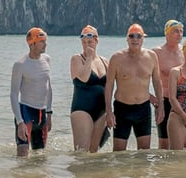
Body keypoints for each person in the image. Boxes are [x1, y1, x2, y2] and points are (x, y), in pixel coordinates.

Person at [104, 23, 164, 151]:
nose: (135, 39)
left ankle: (140, 173)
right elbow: (109, 86)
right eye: (131, 36)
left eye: (138, 36)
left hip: (143, 109)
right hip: (122, 109)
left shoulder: (151, 56)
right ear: (127, 38)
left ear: (143, 38)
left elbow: (157, 82)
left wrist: (161, 107)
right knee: (119, 152)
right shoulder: (117, 58)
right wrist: (108, 112)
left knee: (144, 152)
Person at [11, 27, 53, 157]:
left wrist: (49, 113)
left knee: (40, 156)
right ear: (32, 43)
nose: (45, 44)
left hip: (41, 114)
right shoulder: (20, 64)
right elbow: (13, 94)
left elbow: (49, 87)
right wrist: (20, 122)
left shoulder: (46, 59)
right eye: (42, 41)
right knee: (23, 154)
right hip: (26, 112)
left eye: (45, 41)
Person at [70, 24, 110, 152]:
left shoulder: (105, 61)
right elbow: (84, 78)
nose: (87, 45)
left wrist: (110, 110)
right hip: (82, 109)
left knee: (94, 153)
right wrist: (88, 58)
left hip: (101, 111)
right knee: (81, 152)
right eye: (84, 42)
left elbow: (111, 86)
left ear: (96, 40)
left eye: (90, 41)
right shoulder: (77, 59)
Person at [153, 19, 185, 149]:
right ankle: (163, 170)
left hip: (184, 101)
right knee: (164, 144)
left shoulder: (185, 51)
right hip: (164, 101)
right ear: (167, 33)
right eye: (175, 31)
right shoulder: (157, 52)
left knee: (184, 143)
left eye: (181, 31)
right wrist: (151, 98)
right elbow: (141, 76)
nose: (179, 34)